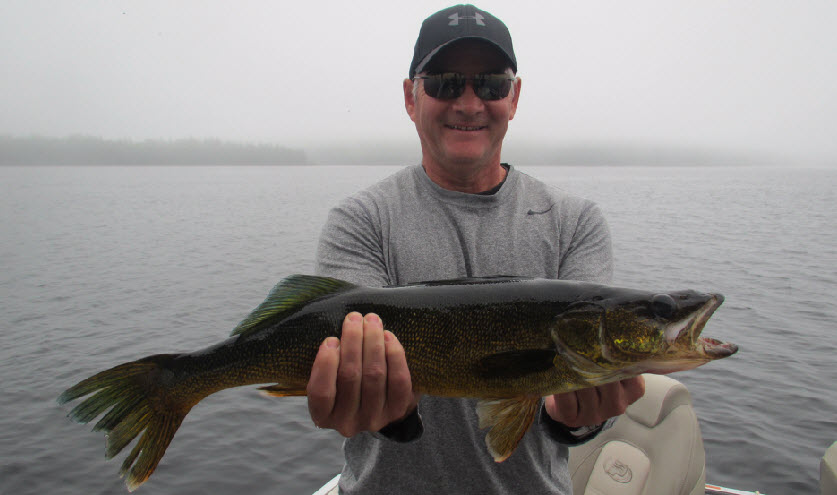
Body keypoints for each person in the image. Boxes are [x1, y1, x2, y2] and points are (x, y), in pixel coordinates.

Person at [307, 4, 645, 493]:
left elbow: (572, 411)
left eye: (490, 85)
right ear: (410, 96)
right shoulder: (362, 221)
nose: (469, 103)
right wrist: (377, 406)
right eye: (445, 82)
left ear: (515, 96)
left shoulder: (575, 223)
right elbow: (357, 381)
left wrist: (576, 417)